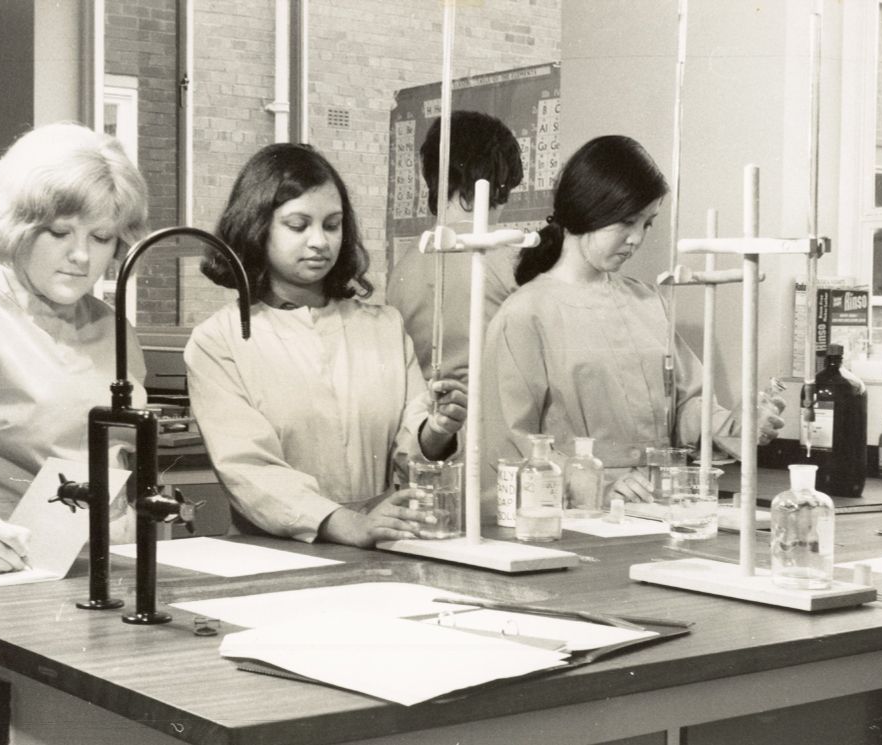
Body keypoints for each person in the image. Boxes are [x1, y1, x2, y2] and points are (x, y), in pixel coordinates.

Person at [184, 143, 467, 548]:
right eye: (298, 226)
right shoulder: (219, 341)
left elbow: (410, 443)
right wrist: (347, 524)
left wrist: (435, 432)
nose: (319, 241)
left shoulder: (382, 326)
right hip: (275, 553)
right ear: (257, 227)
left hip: (386, 540)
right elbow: (250, 471)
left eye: (332, 225)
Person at [481, 135, 784, 503]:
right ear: (586, 210)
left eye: (647, 224)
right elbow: (511, 441)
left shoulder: (646, 301)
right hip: (574, 512)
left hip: (656, 503)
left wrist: (738, 425)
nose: (637, 239)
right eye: (626, 222)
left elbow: (686, 403)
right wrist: (594, 485)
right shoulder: (526, 314)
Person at [0, 122, 149, 575]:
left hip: (109, 567)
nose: (82, 256)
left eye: (101, 237)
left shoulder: (112, 327)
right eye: (61, 232)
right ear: (17, 225)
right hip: (0, 575)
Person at [386, 110, 524, 382]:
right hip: (491, 415)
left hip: (426, 415)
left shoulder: (405, 265)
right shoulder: (508, 254)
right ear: (500, 180)